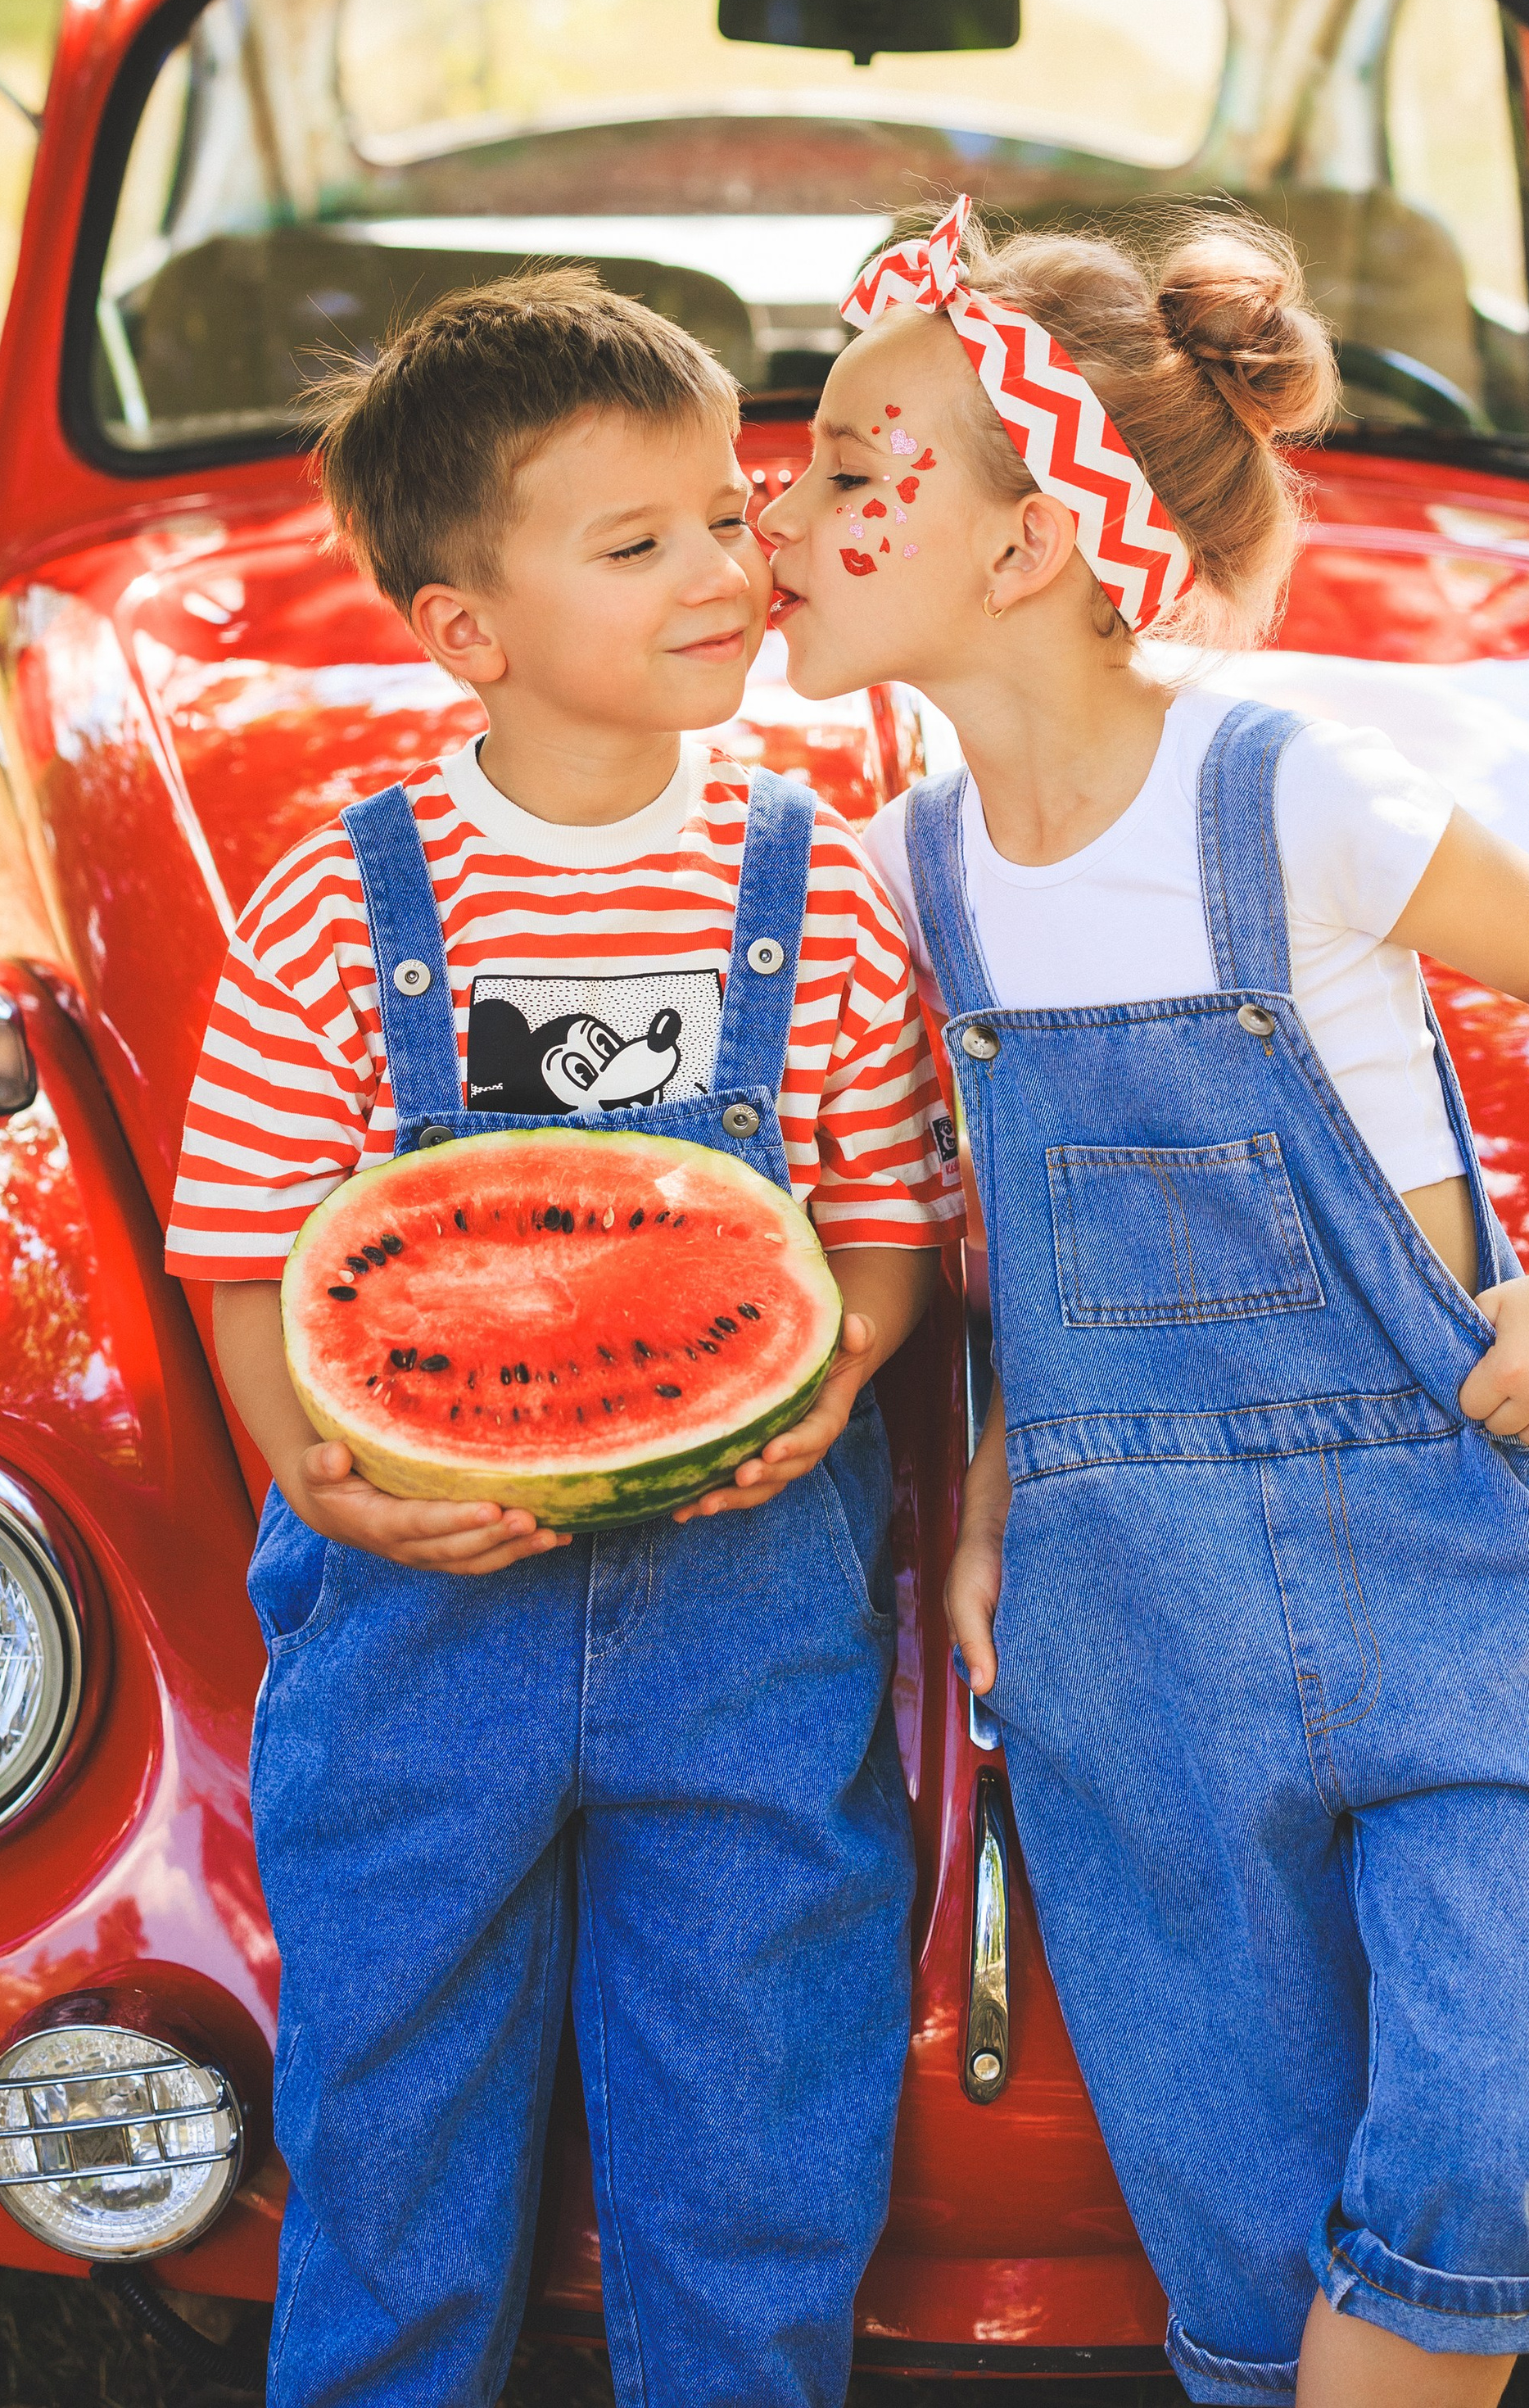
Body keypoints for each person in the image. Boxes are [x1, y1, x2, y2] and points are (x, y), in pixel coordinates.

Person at [760, 197, 1529, 2408]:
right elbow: (1022, 1238)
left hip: (1442, 1550)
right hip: (1122, 1616)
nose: (781, 505)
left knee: (1475, 2117)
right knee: (1238, 2190)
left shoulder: (1287, 788)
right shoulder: (923, 869)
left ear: (1026, 548)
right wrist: (994, 1489)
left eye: (854, 467)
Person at [165, 269, 952, 2408]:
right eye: (639, 544)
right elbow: (253, 1248)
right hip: (422, 1619)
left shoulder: (825, 882)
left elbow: (878, 1220)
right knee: (393, 2117)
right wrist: (324, 1466)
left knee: (757, 2124)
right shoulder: (347, 896)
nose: (721, 568)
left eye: (728, 513)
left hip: (751, 1616)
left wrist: (842, 1370)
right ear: (464, 630)